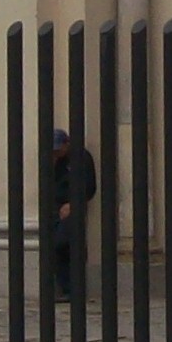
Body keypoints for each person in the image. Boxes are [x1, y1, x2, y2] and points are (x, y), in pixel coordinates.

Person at [49, 125, 96, 302]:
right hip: (57, 207)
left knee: (67, 244)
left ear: (66, 144)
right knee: (57, 247)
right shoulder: (57, 160)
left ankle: (73, 288)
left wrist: (73, 204)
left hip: (72, 207)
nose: (56, 153)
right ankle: (64, 287)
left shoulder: (81, 158)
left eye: (58, 149)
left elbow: (89, 186)